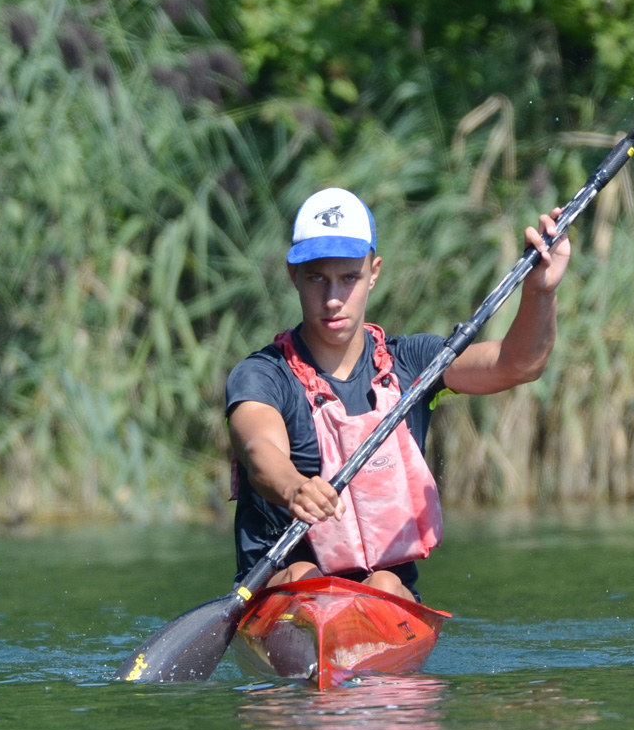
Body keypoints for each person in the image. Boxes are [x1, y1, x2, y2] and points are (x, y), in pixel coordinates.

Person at [225, 187, 570, 602]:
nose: (333, 299)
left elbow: (517, 364)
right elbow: (260, 449)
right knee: (306, 576)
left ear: (374, 272)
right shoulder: (262, 375)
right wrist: (294, 487)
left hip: (383, 597)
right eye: (317, 277)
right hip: (286, 587)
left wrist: (541, 291)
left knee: (388, 585)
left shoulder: (411, 364)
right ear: (293, 274)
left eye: (349, 277)